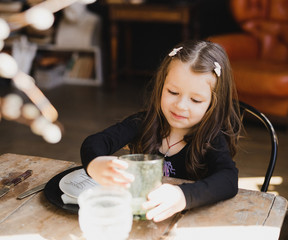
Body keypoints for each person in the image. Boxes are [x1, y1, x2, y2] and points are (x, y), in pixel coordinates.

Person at [80, 40, 242, 222]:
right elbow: (95, 142)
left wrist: (183, 196)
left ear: (213, 104)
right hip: (141, 217)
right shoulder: (142, 123)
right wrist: (95, 162)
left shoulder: (211, 139)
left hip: (188, 221)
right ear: (161, 85)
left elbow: (228, 180)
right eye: (173, 92)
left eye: (196, 100)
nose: (181, 106)